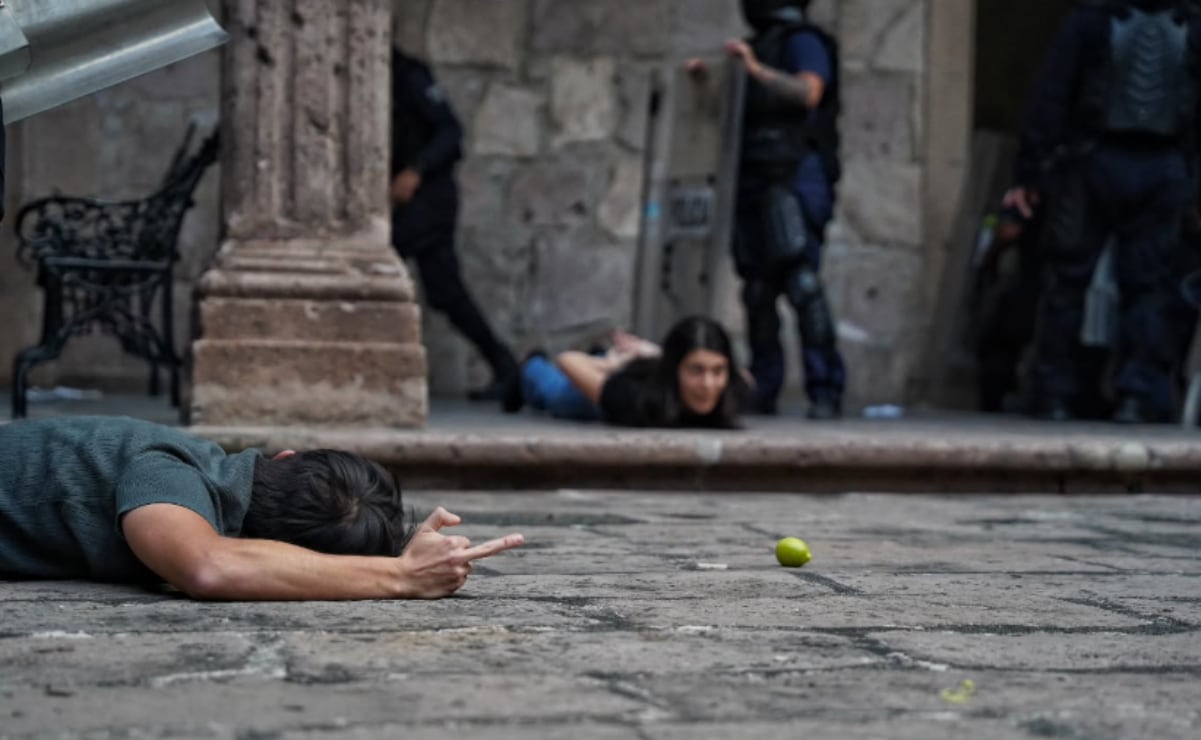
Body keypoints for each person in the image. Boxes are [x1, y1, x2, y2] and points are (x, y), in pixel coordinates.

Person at [0, 416, 524, 599]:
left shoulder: (210, 479)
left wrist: (393, 548)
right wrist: (400, 576)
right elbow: (209, 568)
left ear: (286, 457)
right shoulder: (169, 473)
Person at [1004, 0, 1201, 423]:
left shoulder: (1094, 19)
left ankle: (1069, 393)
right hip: (1119, 162)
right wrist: (1030, 171)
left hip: (1108, 162)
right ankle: (1120, 395)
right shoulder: (1101, 20)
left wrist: (1029, 172)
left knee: (1084, 283)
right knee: (1129, 285)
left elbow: (1051, 95)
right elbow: (1052, 95)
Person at [689, 0, 847, 419]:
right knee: (757, 291)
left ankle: (825, 388)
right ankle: (764, 387)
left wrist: (755, 70)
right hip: (752, 175)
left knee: (802, 283)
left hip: (793, 174)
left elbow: (809, 92)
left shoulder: (804, 42)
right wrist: (710, 80)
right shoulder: (757, 45)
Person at [391, 48, 517, 401]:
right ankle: (504, 365)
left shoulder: (406, 74)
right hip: (407, 202)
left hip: (429, 199)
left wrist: (416, 170)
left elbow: (450, 130)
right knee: (445, 291)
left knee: (373, 263)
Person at [503, 316, 748, 429]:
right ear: (675, 370)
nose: (708, 384)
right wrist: (611, 365)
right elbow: (567, 361)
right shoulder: (635, 396)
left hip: (639, 369)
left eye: (718, 371)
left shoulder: (732, 390)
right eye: (696, 370)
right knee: (548, 388)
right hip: (588, 396)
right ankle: (530, 361)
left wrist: (653, 351)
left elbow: (748, 380)